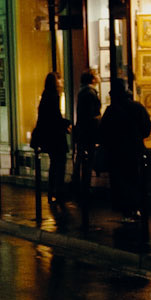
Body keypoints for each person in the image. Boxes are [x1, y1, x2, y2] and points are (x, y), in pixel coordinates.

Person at [97, 78, 151, 218]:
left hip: (116, 152)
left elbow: (103, 132)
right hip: (135, 150)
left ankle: (125, 209)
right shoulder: (137, 107)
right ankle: (136, 208)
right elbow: (146, 128)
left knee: (120, 181)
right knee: (135, 179)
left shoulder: (111, 111)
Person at [31, 72, 71, 206]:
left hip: (49, 136)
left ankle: (52, 192)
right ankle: (58, 192)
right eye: (59, 79)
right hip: (55, 136)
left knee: (54, 164)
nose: (61, 82)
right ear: (55, 82)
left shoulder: (45, 95)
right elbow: (55, 117)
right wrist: (67, 123)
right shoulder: (53, 96)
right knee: (59, 164)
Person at [73, 68, 102, 199]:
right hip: (88, 133)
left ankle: (79, 187)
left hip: (82, 132)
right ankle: (84, 188)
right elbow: (91, 115)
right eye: (97, 74)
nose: (99, 76)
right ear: (92, 78)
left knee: (81, 159)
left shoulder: (83, 92)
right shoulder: (90, 93)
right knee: (87, 160)